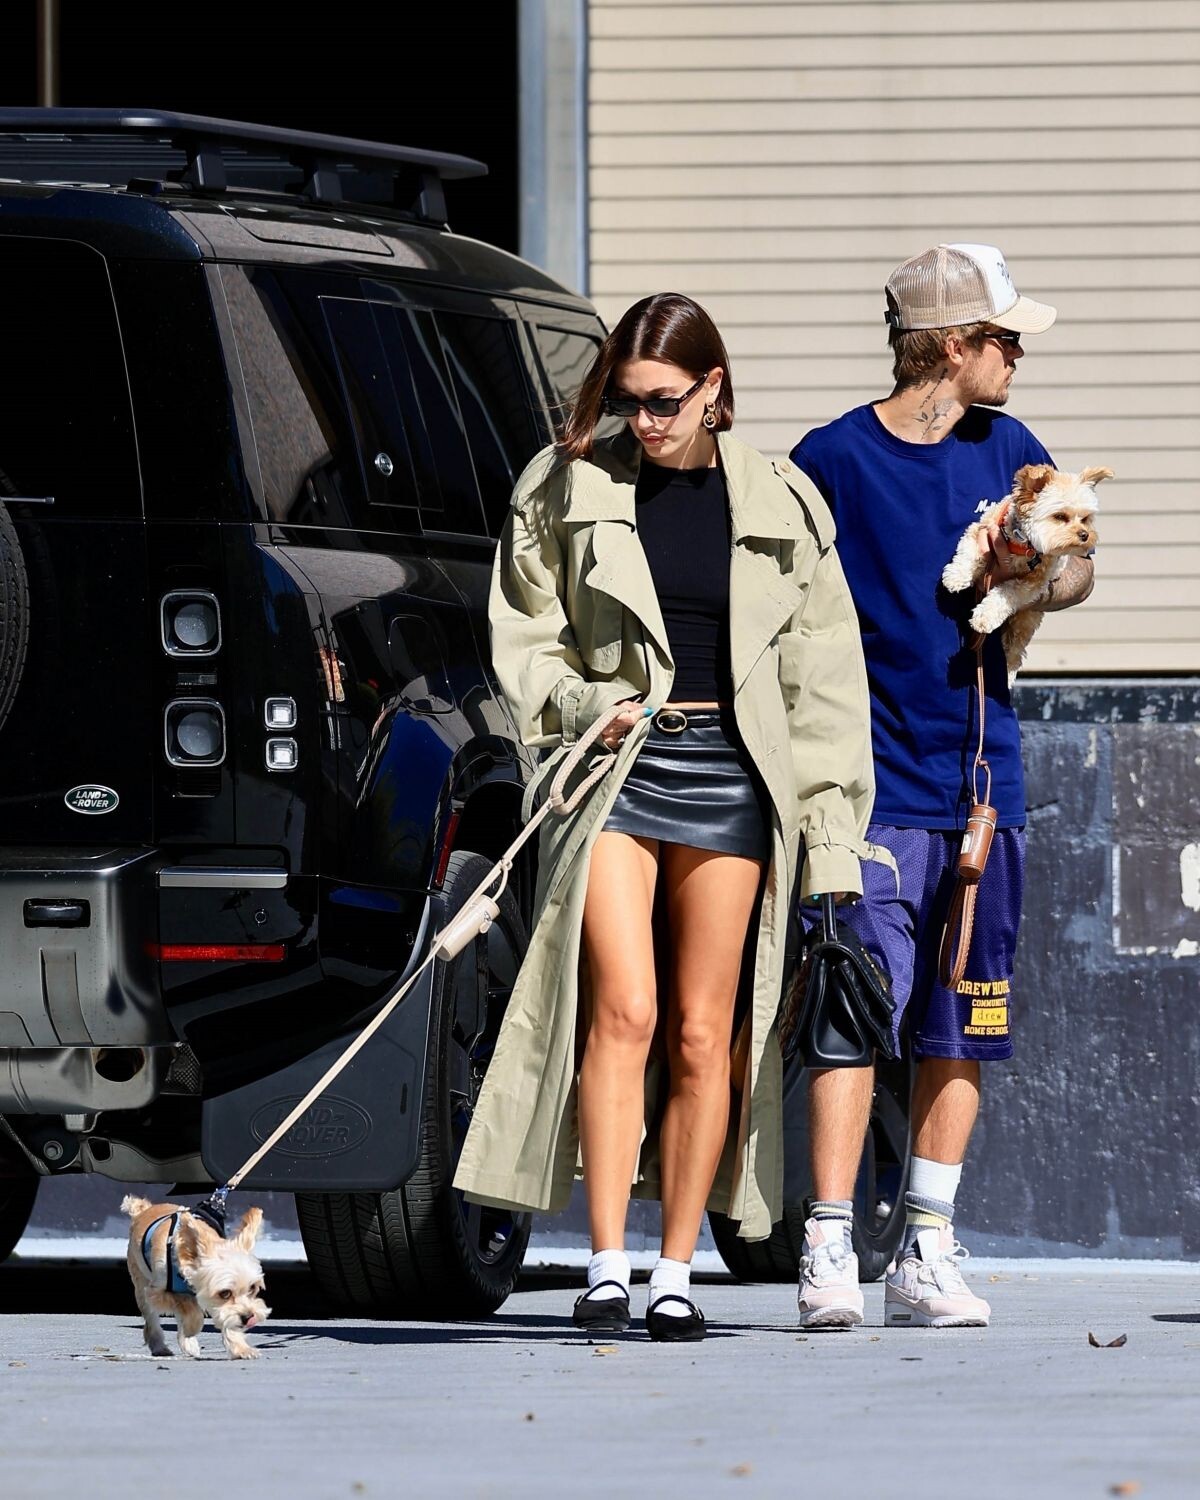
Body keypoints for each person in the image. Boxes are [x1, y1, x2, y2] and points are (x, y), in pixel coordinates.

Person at [454, 292, 882, 1341]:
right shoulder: (565, 484)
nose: (642, 421)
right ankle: (607, 1265)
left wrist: (831, 849)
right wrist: (582, 704)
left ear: (713, 388)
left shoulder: (781, 500)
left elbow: (823, 690)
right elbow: (525, 635)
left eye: (663, 401)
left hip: (736, 775)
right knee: (625, 1010)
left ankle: (676, 1270)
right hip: (616, 766)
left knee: (703, 1031)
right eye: (626, 401)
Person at [788, 243, 1095, 1330]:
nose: (1017, 356)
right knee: (850, 1009)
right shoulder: (829, 458)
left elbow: (1080, 564)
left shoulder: (1011, 449)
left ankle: (925, 1248)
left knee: (963, 1017)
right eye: (1004, 338)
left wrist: (1038, 570)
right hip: (861, 788)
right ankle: (828, 1241)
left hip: (980, 786)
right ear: (954, 344)